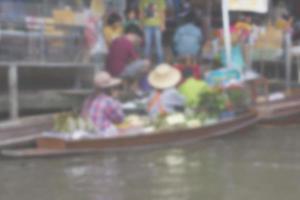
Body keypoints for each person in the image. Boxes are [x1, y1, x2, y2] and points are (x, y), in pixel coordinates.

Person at [81, 72, 124, 137]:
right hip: (102, 135)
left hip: (88, 133)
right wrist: (116, 101)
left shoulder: (88, 100)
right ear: (109, 88)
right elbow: (119, 119)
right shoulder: (109, 101)